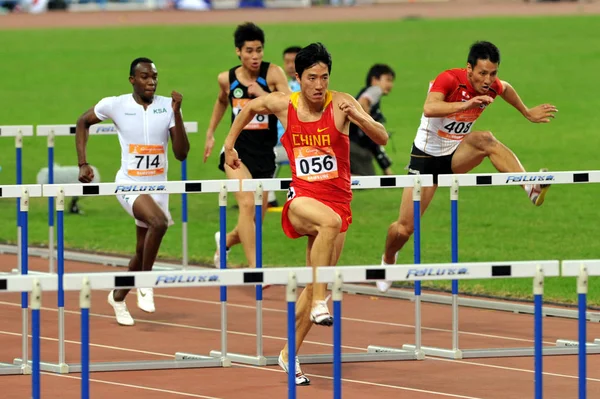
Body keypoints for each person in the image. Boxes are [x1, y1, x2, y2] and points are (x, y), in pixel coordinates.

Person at [223, 42, 388, 385]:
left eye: (324, 77)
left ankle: (288, 354)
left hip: (339, 202)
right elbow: (251, 106)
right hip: (301, 200)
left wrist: (358, 117)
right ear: (298, 78)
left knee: (317, 287)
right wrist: (229, 144)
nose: (318, 85)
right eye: (311, 78)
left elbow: (382, 136)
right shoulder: (286, 104)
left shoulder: (342, 103)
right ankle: (317, 302)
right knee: (321, 270)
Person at [377, 41, 558, 293]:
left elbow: (506, 89)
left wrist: (526, 112)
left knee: (486, 140)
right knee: (404, 229)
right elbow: (429, 108)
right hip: (426, 159)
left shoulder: (493, 85)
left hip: (456, 155)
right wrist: (465, 105)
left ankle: (532, 188)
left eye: (493, 73)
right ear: (469, 68)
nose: (488, 80)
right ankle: (388, 259)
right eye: (482, 73)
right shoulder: (449, 79)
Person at [76, 57, 189, 325]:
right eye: (145, 77)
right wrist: (83, 163)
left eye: (154, 77)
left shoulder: (167, 107)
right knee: (158, 223)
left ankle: (117, 296)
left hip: (159, 186)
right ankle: (145, 284)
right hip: (128, 183)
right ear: (132, 80)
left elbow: (182, 154)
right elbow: (82, 122)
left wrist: (176, 112)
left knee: (141, 252)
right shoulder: (116, 104)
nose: (151, 82)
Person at [203, 22, 291, 268]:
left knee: (254, 222)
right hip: (235, 153)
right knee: (246, 203)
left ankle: (226, 241)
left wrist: (262, 93)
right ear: (238, 52)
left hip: (264, 154)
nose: (255, 56)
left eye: (259, 50)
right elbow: (222, 102)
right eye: (249, 51)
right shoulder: (226, 79)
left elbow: (289, 104)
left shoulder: (273, 74)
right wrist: (210, 133)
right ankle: (256, 269)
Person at [268, 45, 303, 208]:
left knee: (264, 158)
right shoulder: (286, 85)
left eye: (294, 61)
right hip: (279, 144)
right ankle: (266, 199)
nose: (290, 65)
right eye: (287, 62)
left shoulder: (305, 88)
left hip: (297, 146)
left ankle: (267, 199)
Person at [349, 63, 396, 176]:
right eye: (388, 80)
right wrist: (368, 122)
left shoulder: (370, 92)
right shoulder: (375, 90)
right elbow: (363, 101)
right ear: (374, 80)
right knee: (367, 179)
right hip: (353, 144)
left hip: (348, 142)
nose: (391, 85)